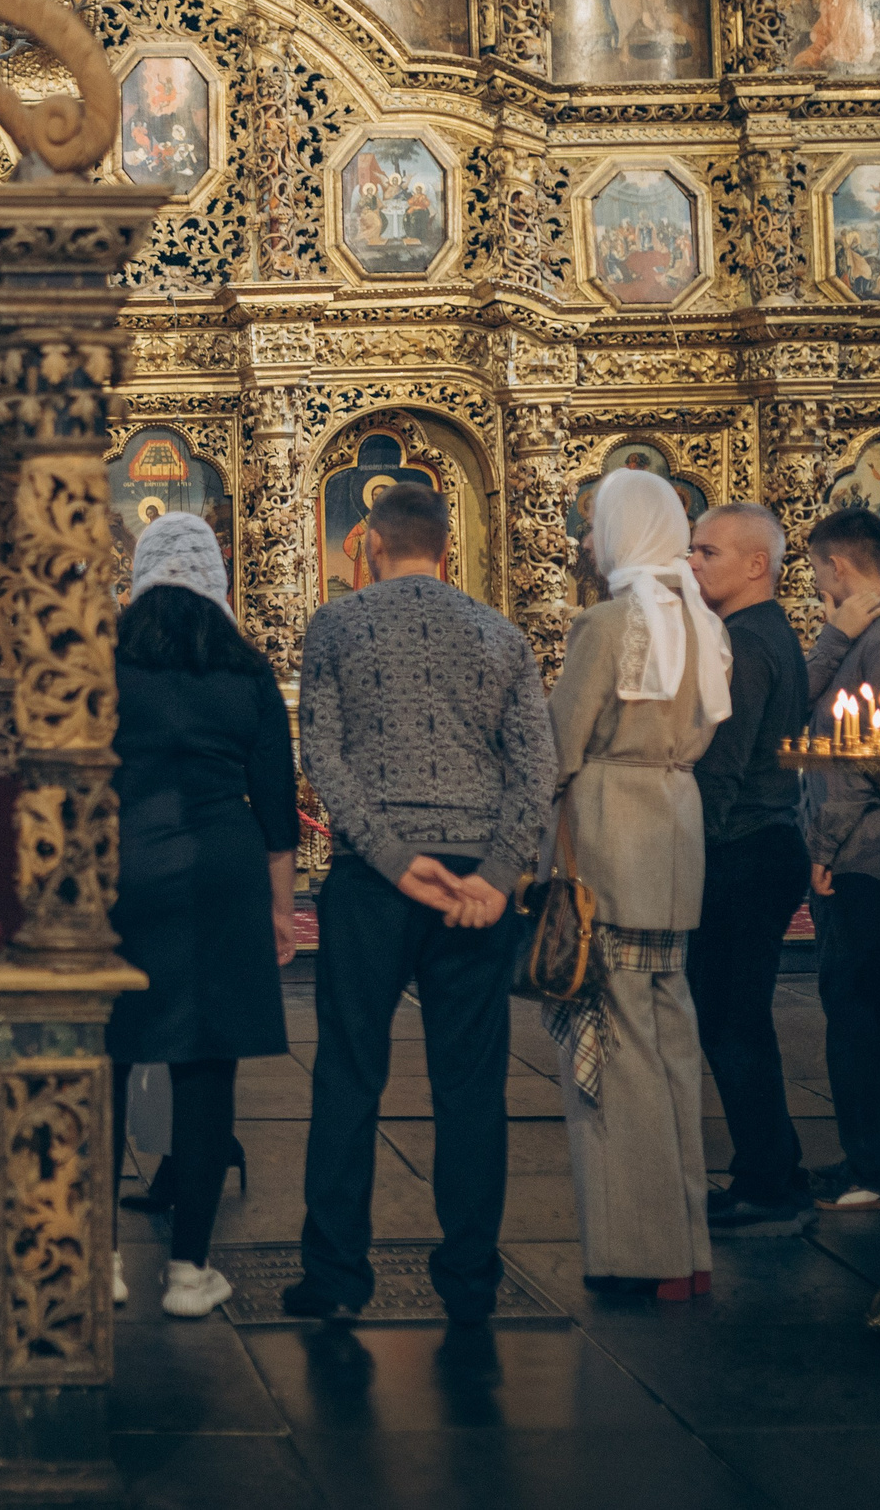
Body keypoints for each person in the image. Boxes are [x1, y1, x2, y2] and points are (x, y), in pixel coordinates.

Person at [290, 482, 555, 1323]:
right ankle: (471, 1280)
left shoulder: (336, 625)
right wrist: (499, 872)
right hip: (477, 880)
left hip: (376, 877)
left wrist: (397, 860)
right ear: (447, 548)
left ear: (369, 543)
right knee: (472, 1084)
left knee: (349, 1072)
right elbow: (535, 768)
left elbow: (320, 756)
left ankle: (335, 1278)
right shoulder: (499, 633)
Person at [105, 516, 297, 1320]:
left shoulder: (108, 660)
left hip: (123, 864)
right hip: (224, 868)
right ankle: (189, 1271)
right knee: (207, 1063)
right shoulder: (244, 665)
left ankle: (98, 1260)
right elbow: (278, 800)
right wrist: (283, 909)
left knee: (105, 1055)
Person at [546, 472, 731, 1299]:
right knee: (671, 1043)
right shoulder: (700, 618)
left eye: (596, 526)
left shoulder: (611, 621)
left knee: (614, 1051)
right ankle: (688, 1248)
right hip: (675, 830)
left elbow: (561, 742)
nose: (589, 541)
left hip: (611, 835)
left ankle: (636, 1253)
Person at [685, 504, 815, 1234]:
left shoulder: (745, 642)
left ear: (756, 564)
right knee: (736, 1019)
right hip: (760, 843)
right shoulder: (757, 632)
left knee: (734, 1023)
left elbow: (722, 769)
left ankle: (767, 1182)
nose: (694, 562)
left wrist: (685, 857)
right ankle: (776, 1167)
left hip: (743, 847)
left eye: (707, 550)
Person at [800, 506, 880, 1211]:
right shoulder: (859, 635)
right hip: (843, 848)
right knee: (849, 1007)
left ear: (837, 566)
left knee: (869, 1010)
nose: (818, 585)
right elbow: (801, 705)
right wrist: (830, 633)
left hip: (864, 851)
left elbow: (874, 759)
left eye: (818, 573)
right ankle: (864, 1158)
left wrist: (824, 845)